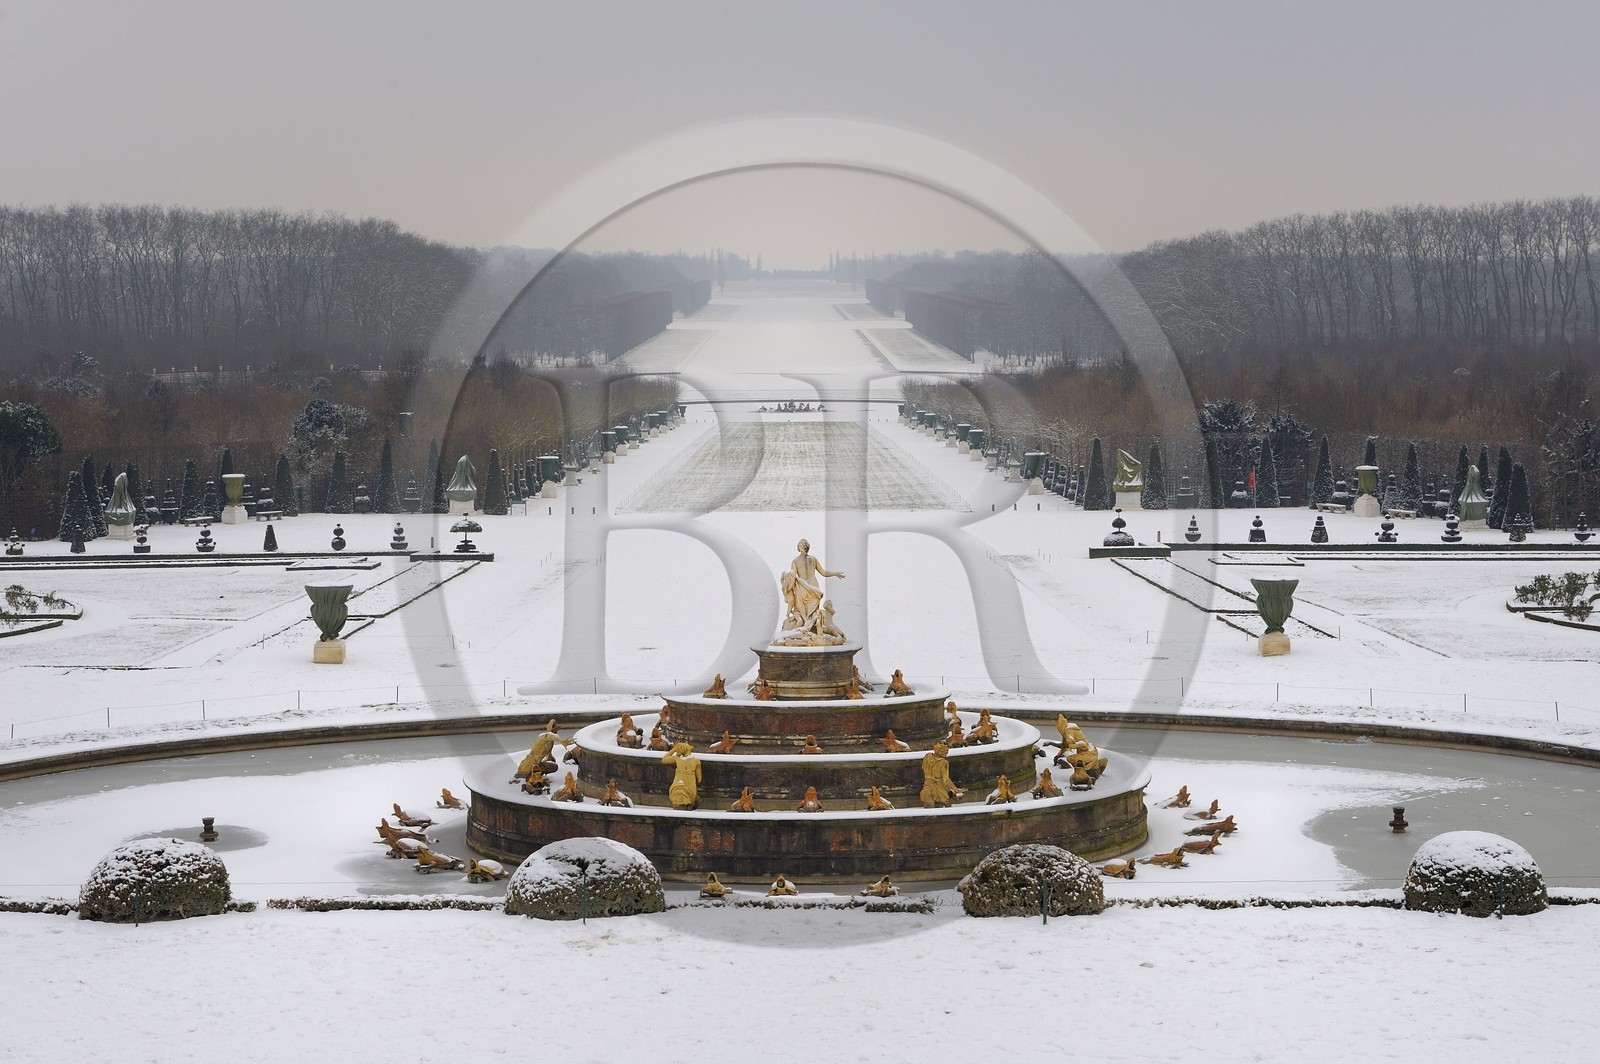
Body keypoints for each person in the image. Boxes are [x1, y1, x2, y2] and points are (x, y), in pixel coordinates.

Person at [778, 538, 844, 635]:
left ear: (800, 547)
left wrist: (784, 580)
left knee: (803, 611)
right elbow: (823, 572)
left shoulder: (795, 561)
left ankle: (806, 630)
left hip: (803, 587)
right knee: (813, 610)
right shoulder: (813, 559)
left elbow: (792, 576)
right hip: (813, 587)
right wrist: (835, 573)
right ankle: (814, 628)